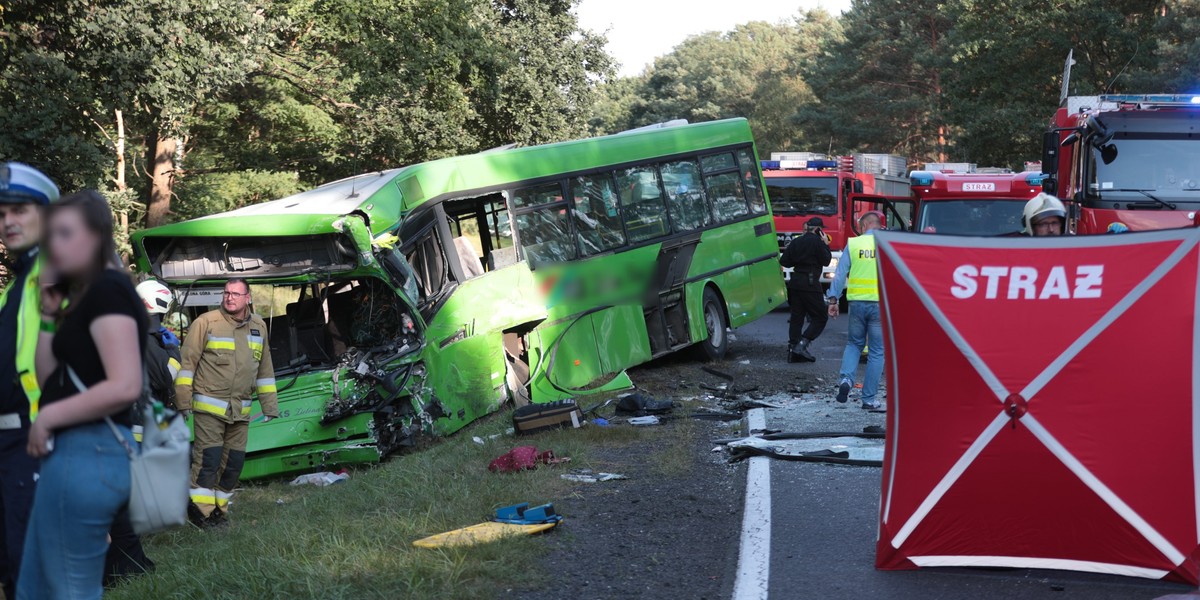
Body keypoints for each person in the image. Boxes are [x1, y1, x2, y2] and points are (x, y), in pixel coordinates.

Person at [20, 190, 147, 599]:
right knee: (38, 587)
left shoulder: (108, 289)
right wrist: (47, 314)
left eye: (64, 233)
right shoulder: (83, 296)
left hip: (89, 452)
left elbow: (125, 384)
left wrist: (48, 418)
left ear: (96, 237)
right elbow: (50, 380)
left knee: (69, 590)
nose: (53, 245)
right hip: (71, 455)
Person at [176, 278, 279, 527]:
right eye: (226, 293)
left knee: (233, 464)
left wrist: (270, 406)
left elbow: (265, 369)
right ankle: (201, 513)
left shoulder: (258, 326)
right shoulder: (206, 323)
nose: (229, 297)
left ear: (248, 298)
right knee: (208, 461)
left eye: (235, 293)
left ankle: (219, 511)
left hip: (240, 410)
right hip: (209, 408)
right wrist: (183, 402)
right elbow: (186, 364)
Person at [0, 163, 58, 599]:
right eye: (1, 214)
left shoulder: (60, 278)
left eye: (19, 209)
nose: (7, 222)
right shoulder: (16, 286)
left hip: (38, 442)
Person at [102, 280, 181, 586]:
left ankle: (129, 561)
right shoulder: (144, 333)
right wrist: (174, 351)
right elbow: (164, 376)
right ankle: (122, 565)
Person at [827, 211, 885, 410]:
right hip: (880, 306)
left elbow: (840, 274)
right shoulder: (888, 245)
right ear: (879, 226)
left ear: (863, 226)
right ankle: (868, 399)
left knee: (854, 344)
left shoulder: (853, 244)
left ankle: (846, 381)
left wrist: (833, 300)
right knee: (877, 352)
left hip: (856, 304)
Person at [779, 217, 832, 363]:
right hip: (810, 283)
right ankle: (801, 345)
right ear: (818, 229)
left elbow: (784, 261)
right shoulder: (818, 242)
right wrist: (825, 244)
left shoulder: (797, 241)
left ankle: (793, 350)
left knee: (797, 317)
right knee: (821, 317)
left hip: (795, 283)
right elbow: (826, 260)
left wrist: (799, 260)